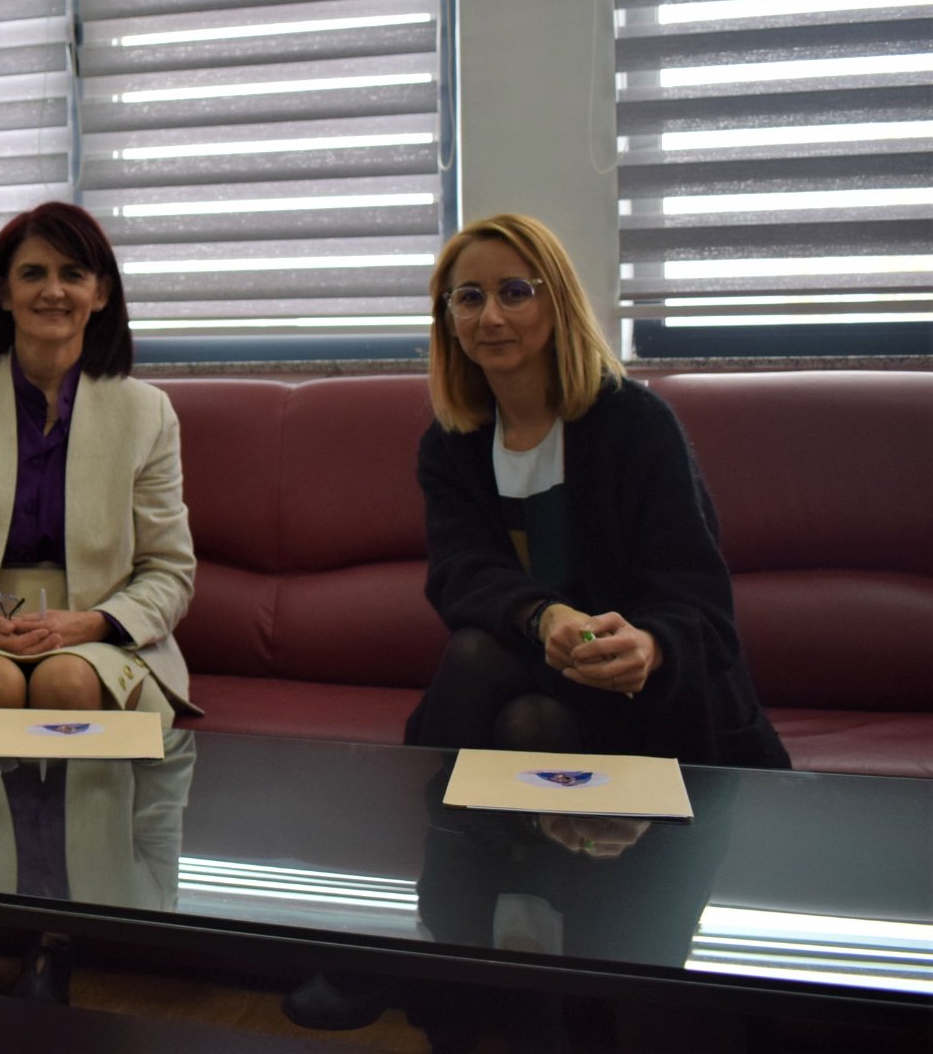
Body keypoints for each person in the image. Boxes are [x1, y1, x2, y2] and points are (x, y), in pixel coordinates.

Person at [284, 212, 786, 1042]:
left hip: (656, 708)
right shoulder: (451, 443)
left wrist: (651, 646)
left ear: (557, 302)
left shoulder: (636, 424)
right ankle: (525, 996)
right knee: (513, 697)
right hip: (531, 682)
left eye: (516, 291)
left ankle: (422, 939)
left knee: (493, 678)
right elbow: (459, 577)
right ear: (447, 320)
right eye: (468, 297)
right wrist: (544, 614)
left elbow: (700, 601)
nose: (492, 316)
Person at [0, 201, 196, 1001]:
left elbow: (169, 569)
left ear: (102, 294)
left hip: (100, 630)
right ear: (2, 292)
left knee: (65, 685)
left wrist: (88, 623)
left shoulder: (143, 409)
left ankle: (60, 934)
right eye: (33, 273)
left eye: (72, 273)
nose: (53, 289)